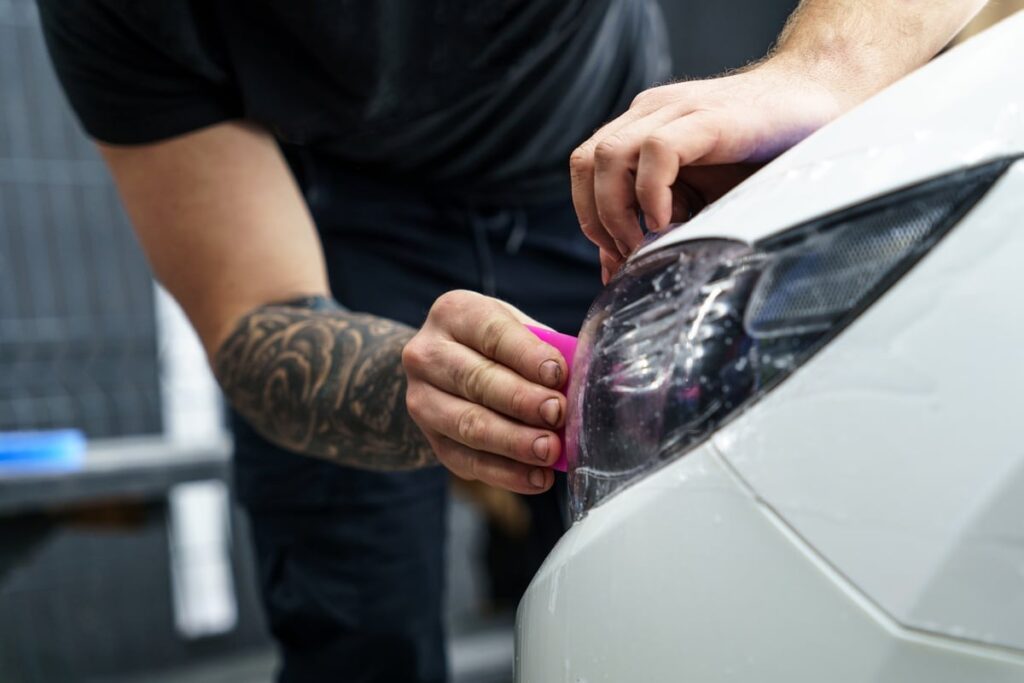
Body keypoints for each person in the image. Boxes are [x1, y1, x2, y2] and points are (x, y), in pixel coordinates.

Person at [36, 1, 987, 681]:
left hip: (611, 187)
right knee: (354, 624)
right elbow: (254, 316)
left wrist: (817, 75)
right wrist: (413, 388)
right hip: (335, 231)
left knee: (666, 584)